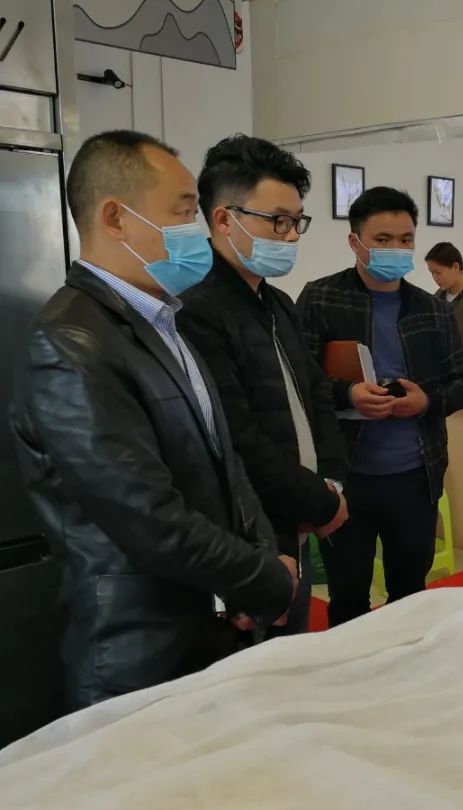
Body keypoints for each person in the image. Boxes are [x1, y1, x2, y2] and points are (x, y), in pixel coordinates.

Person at [10, 130, 297, 708]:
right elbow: (146, 517)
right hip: (141, 653)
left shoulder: (162, 321)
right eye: (184, 212)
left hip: (211, 626)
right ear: (116, 217)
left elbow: (224, 463)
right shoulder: (70, 342)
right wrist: (265, 579)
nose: (197, 230)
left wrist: (258, 565)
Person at [177, 134, 349, 636]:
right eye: (277, 220)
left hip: (299, 521)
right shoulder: (197, 310)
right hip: (251, 536)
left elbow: (317, 397)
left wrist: (332, 483)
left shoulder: (278, 304)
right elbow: (236, 437)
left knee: (295, 657)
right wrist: (318, 502)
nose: (291, 235)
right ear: (223, 219)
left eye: (297, 221)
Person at [297, 187, 463, 626]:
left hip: (415, 477)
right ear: (355, 241)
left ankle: (405, 661)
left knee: (410, 593)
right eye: (382, 239)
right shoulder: (321, 298)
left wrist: (426, 401)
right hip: (346, 476)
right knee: (347, 594)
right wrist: (347, 394)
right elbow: (298, 381)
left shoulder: (431, 310)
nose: (396, 248)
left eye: (405, 239)